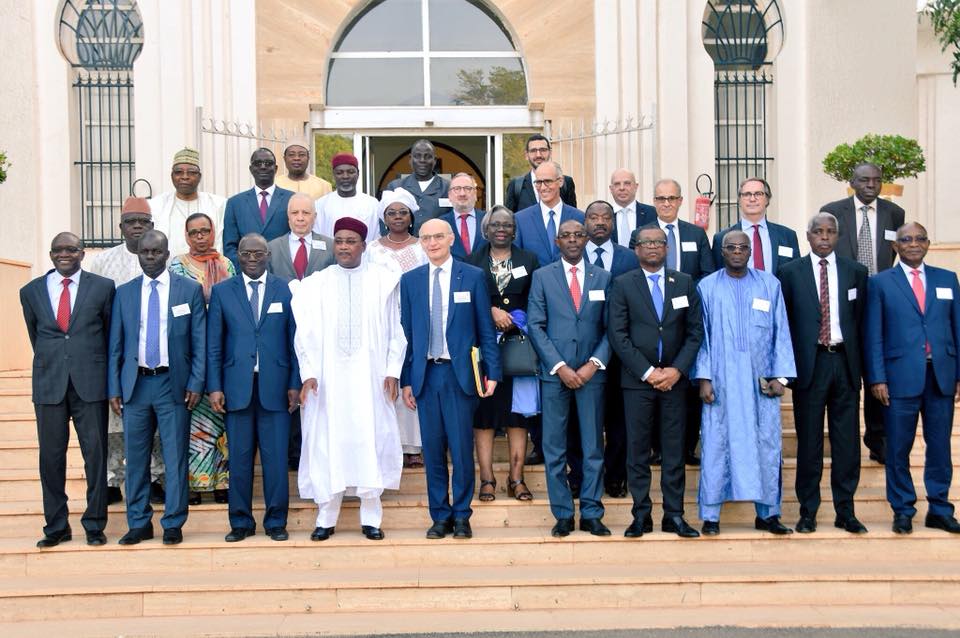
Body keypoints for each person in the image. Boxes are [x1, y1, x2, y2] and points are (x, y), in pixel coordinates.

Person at [293, 218, 405, 541]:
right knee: (330, 443)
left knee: (369, 438)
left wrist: (392, 370)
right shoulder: (318, 283)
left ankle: (371, 518)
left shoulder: (384, 281)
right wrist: (309, 372)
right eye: (339, 240)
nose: (343, 246)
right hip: (330, 382)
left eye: (351, 241)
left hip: (371, 379)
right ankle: (325, 518)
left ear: (363, 245)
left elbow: (396, 328)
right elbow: (305, 332)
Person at [400, 218, 500, 540]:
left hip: (460, 377)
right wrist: (406, 379)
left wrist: (492, 372)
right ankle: (439, 516)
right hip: (426, 376)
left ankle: (462, 516)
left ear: (451, 239)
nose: (432, 243)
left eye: (438, 237)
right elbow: (406, 334)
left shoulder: (471, 277)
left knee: (460, 449)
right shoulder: (411, 281)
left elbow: (485, 328)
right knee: (432, 451)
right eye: (426, 238)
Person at [693, 230, 796, 536]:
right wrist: (704, 378)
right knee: (715, 445)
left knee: (766, 446)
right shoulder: (707, 287)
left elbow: (782, 331)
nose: (737, 252)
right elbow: (701, 337)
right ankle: (710, 516)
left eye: (743, 247)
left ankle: (769, 513)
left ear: (751, 251)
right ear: (721, 252)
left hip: (759, 384)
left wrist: (781, 376)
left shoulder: (769, 284)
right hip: (722, 383)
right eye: (731, 247)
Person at [108, 230, 206, 545]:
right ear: (138, 253)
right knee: (135, 459)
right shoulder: (123, 293)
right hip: (135, 385)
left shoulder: (188, 290)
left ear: (166, 253)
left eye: (157, 252)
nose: (150, 257)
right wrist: (114, 387)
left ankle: (173, 522)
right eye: (145, 252)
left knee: (175, 456)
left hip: (172, 384)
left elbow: (199, 341)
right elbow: (116, 345)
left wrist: (196, 381)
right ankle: (138, 522)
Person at [608, 227, 704, 538]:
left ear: (667, 248)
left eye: (658, 242)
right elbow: (618, 335)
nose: (653, 247)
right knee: (637, 452)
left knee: (674, 451)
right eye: (646, 243)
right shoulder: (623, 284)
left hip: (675, 383)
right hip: (637, 383)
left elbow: (694, 333)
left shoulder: (684, 283)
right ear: (636, 249)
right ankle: (641, 516)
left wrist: (676, 370)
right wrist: (648, 372)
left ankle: (674, 515)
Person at [20, 232, 115, 547]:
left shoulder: (102, 288)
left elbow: (109, 332)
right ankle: (56, 526)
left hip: (90, 382)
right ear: (50, 255)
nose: (65, 254)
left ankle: (94, 524)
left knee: (96, 454)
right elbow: (38, 337)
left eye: (71, 249)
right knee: (50, 457)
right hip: (49, 384)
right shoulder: (30, 292)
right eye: (59, 250)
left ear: (82, 253)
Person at [865, 222, 960, 535]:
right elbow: (873, 334)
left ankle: (940, 508)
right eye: (906, 240)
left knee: (940, 447)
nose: (913, 244)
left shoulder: (948, 279)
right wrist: (877, 378)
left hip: (941, 376)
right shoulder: (881, 283)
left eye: (920, 239)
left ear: (929, 244)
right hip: (898, 378)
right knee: (897, 448)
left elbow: (957, 328)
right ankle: (903, 509)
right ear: (896, 246)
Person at [780, 212, 868, 534]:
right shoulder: (789, 273)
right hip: (810, 365)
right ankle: (808, 511)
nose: (824, 237)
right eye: (818, 231)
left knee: (847, 443)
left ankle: (846, 510)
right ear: (808, 235)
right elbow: (784, 324)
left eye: (830, 231)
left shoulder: (856, 272)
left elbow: (861, 322)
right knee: (809, 443)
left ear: (838, 235)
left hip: (844, 364)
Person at [207, 233, 299, 543]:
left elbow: (295, 341)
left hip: (276, 387)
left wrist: (295, 383)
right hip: (236, 388)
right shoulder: (222, 292)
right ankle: (240, 523)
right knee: (240, 460)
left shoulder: (285, 289)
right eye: (246, 253)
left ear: (268, 255)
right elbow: (214, 344)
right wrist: (215, 386)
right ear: (238, 256)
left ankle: (276, 522)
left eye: (258, 253)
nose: (252, 258)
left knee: (275, 461)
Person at [527, 219, 612, 538]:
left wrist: (593, 363)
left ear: (587, 239)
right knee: (554, 447)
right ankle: (562, 513)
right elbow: (535, 325)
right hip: (555, 376)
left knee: (592, 447)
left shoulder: (603, 277)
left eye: (579, 235)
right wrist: (560, 366)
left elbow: (611, 328)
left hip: (592, 375)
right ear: (557, 242)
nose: (573, 240)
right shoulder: (542, 276)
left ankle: (591, 511)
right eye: (567, 236)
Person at [821, 162, 906, 466]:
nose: (871, 185)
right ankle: (844, 438)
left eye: (877, 180)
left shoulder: (895, 214)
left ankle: (877, 437)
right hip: (844, 302)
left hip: (880, 300)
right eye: (864, 180)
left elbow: (892, 255)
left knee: (876, 367)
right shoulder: (833, 210)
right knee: (847, 369)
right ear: (852, 182)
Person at [86, 197, 165, 506]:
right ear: (120, 227)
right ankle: (111, 480)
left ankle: (156, 478)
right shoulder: (103, 262)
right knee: (114, 426)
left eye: (142, 222)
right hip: (115, 356)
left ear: (151, 227)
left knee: (153, 429)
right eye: (130, 221)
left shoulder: (161, 259)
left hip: (153, 358)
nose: (136, 226)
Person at [638, 178, 715, 467]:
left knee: (686, 383)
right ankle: (656, 447)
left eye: (671, 198)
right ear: (654, 202)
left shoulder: (696, 234)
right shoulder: (642, 234)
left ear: (681, 201)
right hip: (650, 322)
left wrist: (682, 294)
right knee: (653, 384)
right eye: (661, 199)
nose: (666, 203)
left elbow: (707, 274)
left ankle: (686, 447)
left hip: (685, 319)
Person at [467, 206, 540, 502]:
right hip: (484, 350)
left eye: (507, 225)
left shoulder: (529, 260)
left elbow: (537, 299)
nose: (501, 229)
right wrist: (491, 311)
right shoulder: (472, 261)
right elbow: (466, 302)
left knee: (517, 415)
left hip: (518, 350)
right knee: (484, 416)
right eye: (495, 224)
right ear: (486, 230)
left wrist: (516, 317)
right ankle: (486, 479)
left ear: (514, 230)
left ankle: (516, 478)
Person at [168, 213, 236, 505]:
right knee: (193, 419)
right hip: (189, 349)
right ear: (186, 236)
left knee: (221, 417)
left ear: (213, 233)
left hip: (223, 347)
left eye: (205, 231)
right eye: (194, 232)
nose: (200, 236)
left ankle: (222, 482)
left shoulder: (226, 264)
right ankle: (194, 485)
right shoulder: (176, 266)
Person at [368, 188, 428, 468]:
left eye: (403, 212)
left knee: (413, 377)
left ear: (411, 216)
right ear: (384, 217)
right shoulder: (372, 248)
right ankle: (387, 445)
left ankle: (413, 445)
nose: (397, 217)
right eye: (391, 213)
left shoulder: (423, 245)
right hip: (381, 321)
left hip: (416, 319)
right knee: (386, 378)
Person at [583, 200, 639, 498]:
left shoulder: (630, 258)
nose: (600, 222)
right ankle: (582, 476)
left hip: (622, 353)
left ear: (613, 222)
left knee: (619, 421)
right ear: (585, 222)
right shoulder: (573, 255)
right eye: (593, 217)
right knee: (585, 420)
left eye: (606, 217)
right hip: (582, 351)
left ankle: (616, 477)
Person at [712, 177, 799, 276]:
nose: (752, 199)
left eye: (758, 194)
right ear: (739, 200)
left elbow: (796, 274)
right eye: (747, 194)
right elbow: (717, 277)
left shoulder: (787, 236)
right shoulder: (721, 238)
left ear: (767, 199)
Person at [222, 147, 295, 266]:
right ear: (251, 169)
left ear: (276, 169)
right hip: (247, 272)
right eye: (258, 163)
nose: (263, 167)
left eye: (268, 163)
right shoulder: (235, 203)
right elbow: (229, 246)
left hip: (282, 270)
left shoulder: (291, 199)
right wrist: (245, 269)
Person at [150, 147, 227, 257]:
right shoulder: (157, 205)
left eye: (191, 172)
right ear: (172, 176)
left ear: (199, 177)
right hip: (169, 270)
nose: (185, 177)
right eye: (179, 172)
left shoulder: (218, 204)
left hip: (209, 271)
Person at [514, 161, 584, 267]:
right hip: (534, 282)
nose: (542, 187)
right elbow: (517, 259)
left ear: (560, 181)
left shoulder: (579, 217)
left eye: (547, 181)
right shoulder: (521, 219)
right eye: (538, 182)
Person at [386, 139, 451, 234]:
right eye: (417, 156)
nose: (422, 160)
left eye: (428, 157)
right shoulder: (396, 187)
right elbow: (385, 220)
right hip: (404, 246)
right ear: (410, 159)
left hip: (436, 245)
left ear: (435, 160)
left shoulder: (448, 188)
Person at [267, 193, 335, 281]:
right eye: (294, 213)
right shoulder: (271, 248)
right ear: (288, 216)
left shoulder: (331, 246)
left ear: (314, 217)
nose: (300, 218)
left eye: (306, 213)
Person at [314, 152, 381, 243]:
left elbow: (377, 237)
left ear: (358, 174)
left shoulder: (372, 204)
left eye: (350, 172)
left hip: (365, 256)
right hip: (331, 256)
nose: (345, 176)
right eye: (339, 173)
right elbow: (318, 236)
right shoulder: (321, 204)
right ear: (333, 175)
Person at [505, 134, 577, 211]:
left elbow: (572, 217)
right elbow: (509, 219)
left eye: (543, 150)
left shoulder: (566, 182)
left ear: (550, 152)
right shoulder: (516, 186)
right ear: (526, 155)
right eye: (533, 151)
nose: (538, 155)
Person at [440, 172, 487, 260]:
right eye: (457, 189)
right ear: (449, 195)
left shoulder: (488, 220)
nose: (462, 193)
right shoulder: (440, 224)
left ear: (475, 194)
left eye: (468, 188)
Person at [608, 168, 656, 247]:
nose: (622, 188)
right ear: (611, 189)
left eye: (627, 183)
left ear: (636, 187)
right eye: (617, 184)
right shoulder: (604, 216)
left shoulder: (652, 213)